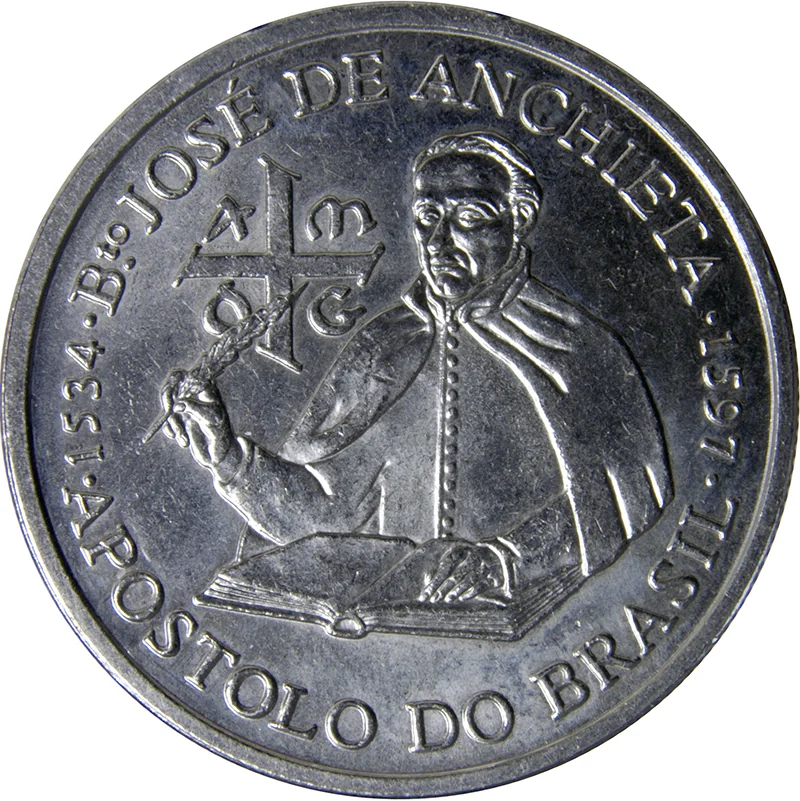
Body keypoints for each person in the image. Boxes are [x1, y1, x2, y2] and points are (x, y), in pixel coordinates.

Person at [163, 132, 673, 607]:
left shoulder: (576, 347)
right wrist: (228, 458)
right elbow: (325, 517)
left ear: (518, 219)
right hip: (385, 627)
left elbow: (620, 499)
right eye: (428, 216)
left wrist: (505, 560)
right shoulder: (383, 344)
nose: (439, 240)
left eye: (469, 217)